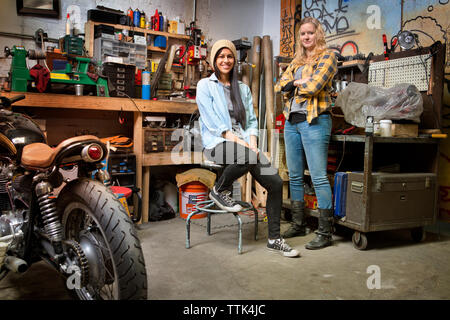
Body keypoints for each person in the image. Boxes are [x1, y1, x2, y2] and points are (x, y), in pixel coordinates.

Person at [196, 39, 299, 258]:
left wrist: (252, 142)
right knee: (245, 156)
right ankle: (219, 189)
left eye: (229, 56)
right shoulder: (205, 85)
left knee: (275, 182)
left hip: (243, 146)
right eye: (221, 56)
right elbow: (211, 120)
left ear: (235, 59)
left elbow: (251, 121)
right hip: (216, 143)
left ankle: (274, 239)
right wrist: (235, 139)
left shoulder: (242, 88)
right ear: (214, 60)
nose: (225, 60)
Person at [275, 17, 337, 250]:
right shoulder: (297, 60)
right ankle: (299, 223)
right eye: (302, 34)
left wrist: (295, 84)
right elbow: (279, 85)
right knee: (295, 175)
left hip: (315, 121)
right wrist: (298, 81)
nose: (306, 37)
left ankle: (325, 232)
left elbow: (315, 87)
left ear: (317, 34)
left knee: (319, 177)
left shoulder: (328, 57)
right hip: (292, 122)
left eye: (310, 33)